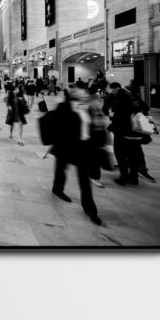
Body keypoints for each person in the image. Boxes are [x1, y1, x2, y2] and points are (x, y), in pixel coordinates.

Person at [49, 88, 102, 225]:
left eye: (84, 94)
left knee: (84, 180)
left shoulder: (88, 108)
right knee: (61, 170)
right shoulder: (64, 107)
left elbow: (94, 126)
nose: (85, 95)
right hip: (66, 146)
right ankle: (57, 189)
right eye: (82, 94)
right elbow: (54, 123)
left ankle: (91, 210)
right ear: (74, 97)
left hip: (83, 148)